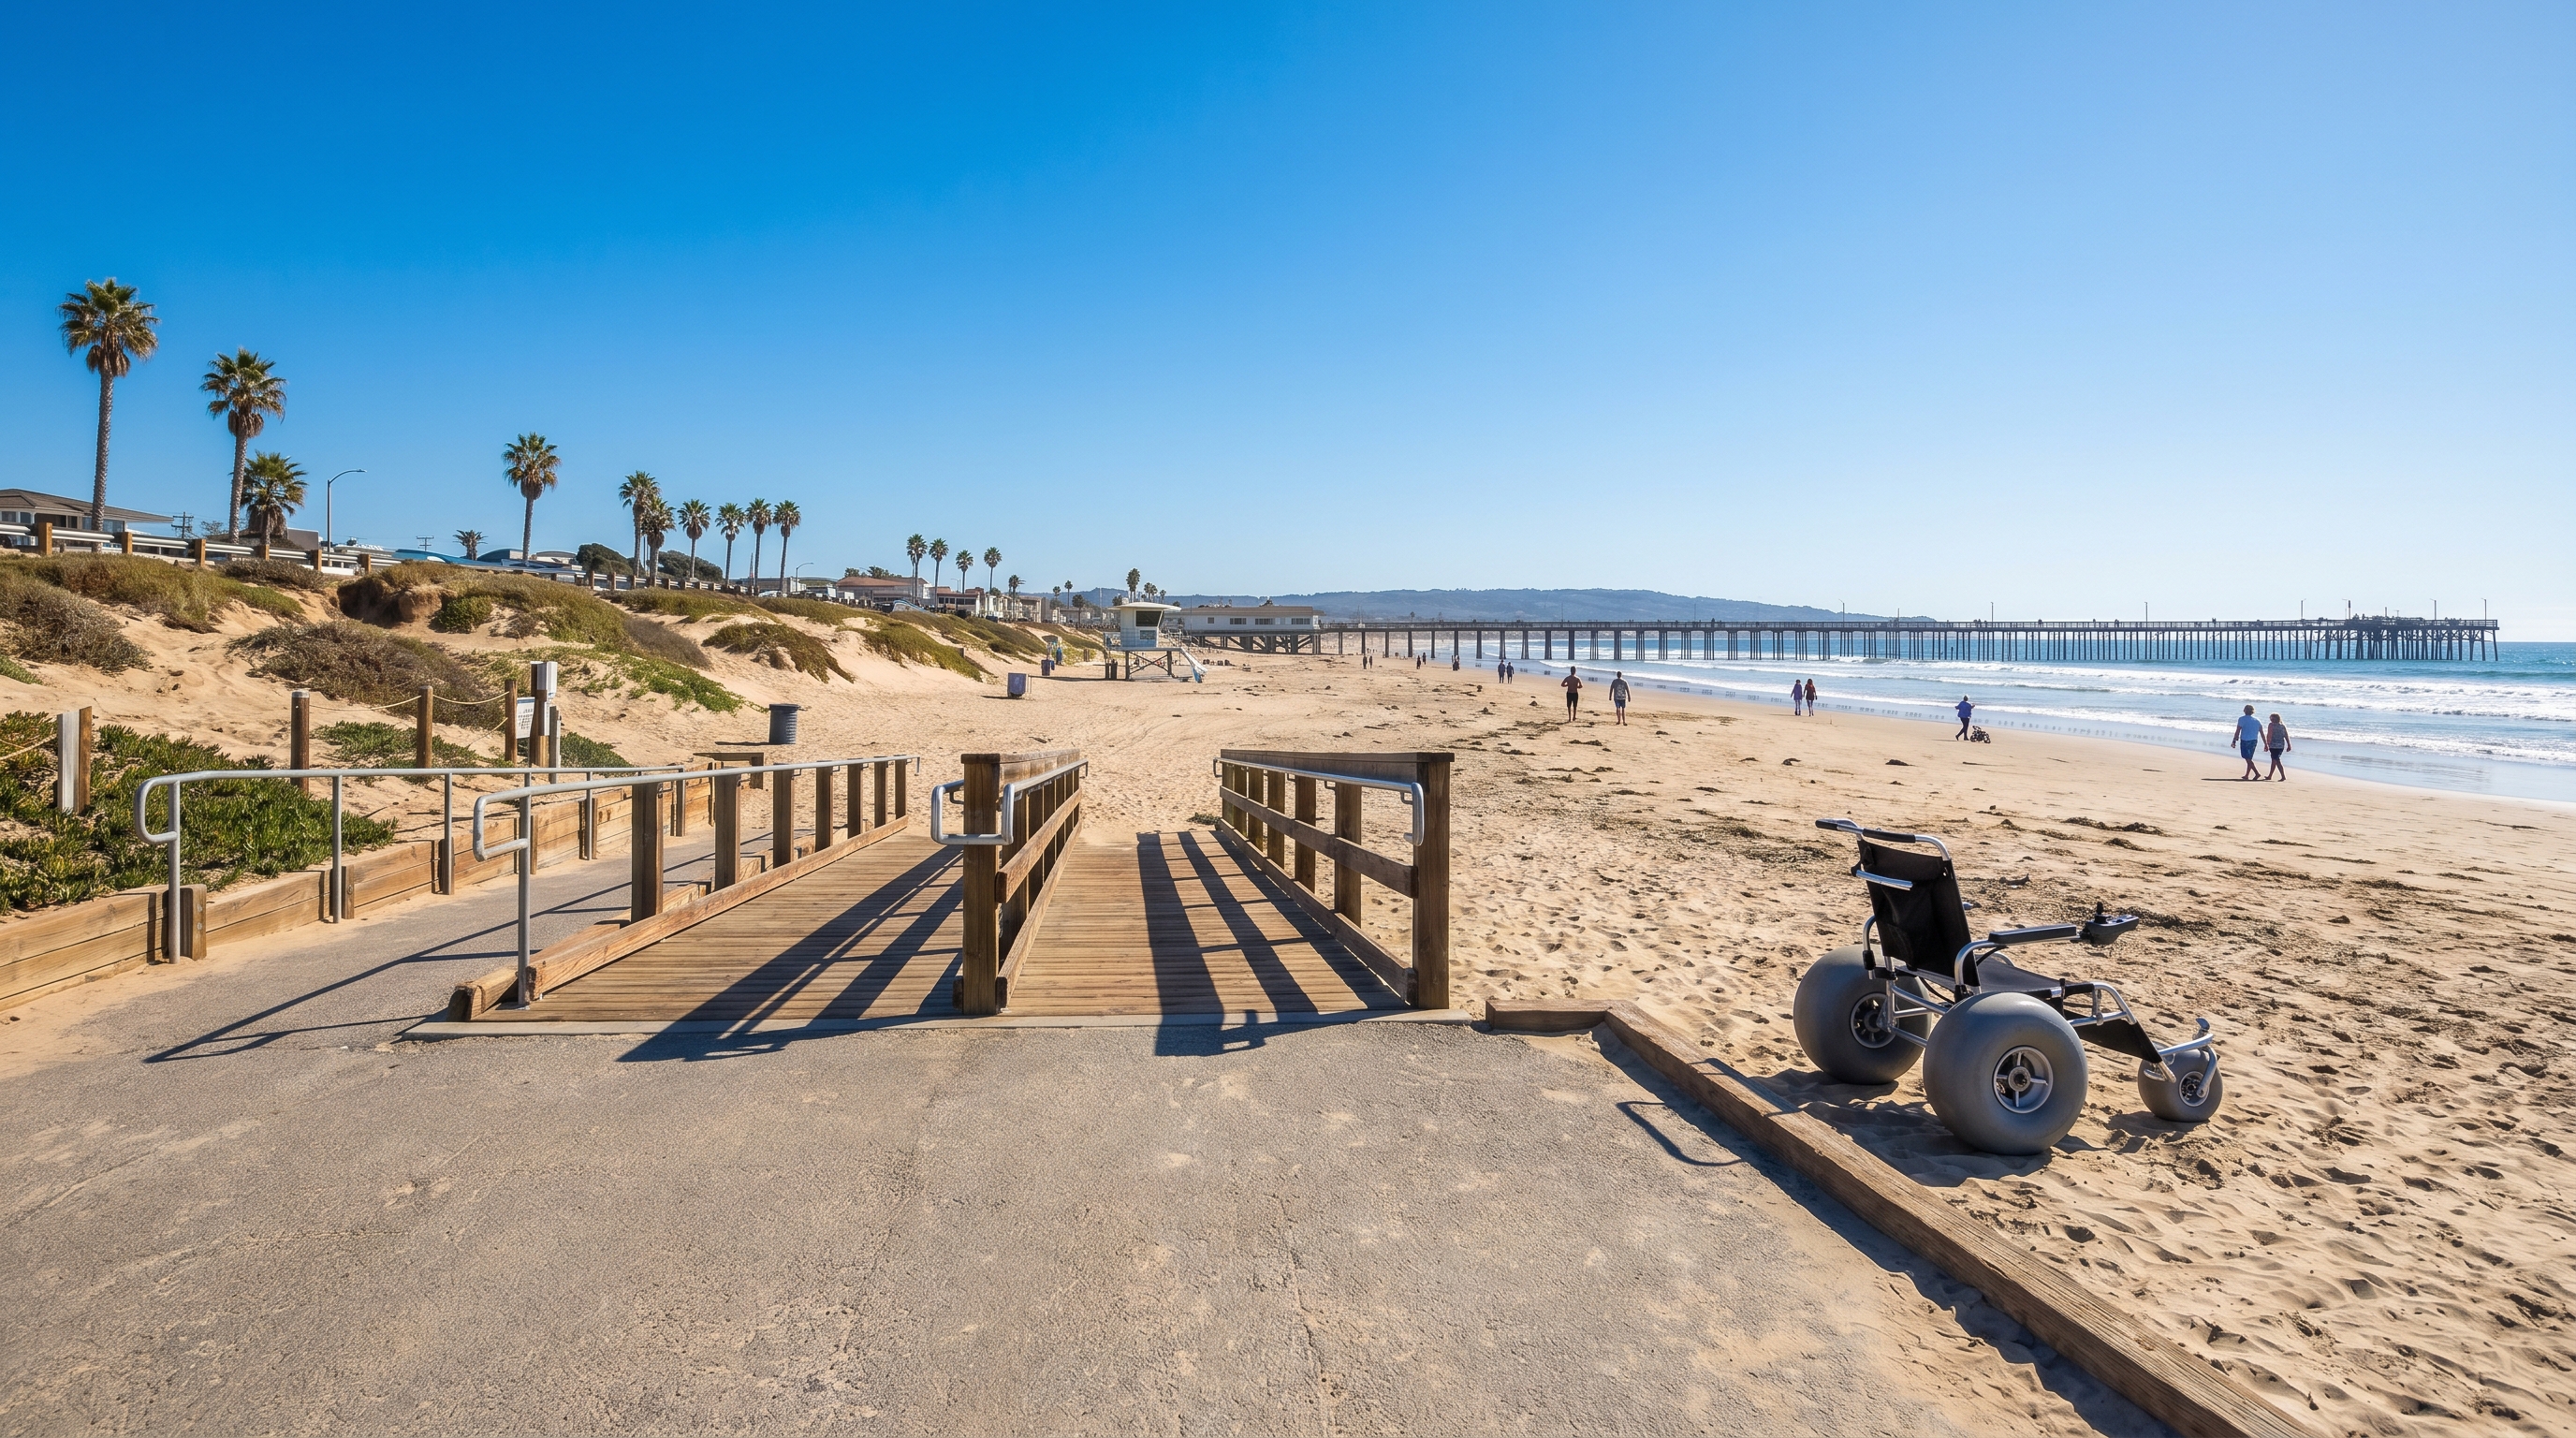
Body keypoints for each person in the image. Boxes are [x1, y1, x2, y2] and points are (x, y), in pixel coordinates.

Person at [2232, 704, 2264, 779]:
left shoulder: (2242, 719)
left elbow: (2238, 731)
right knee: (2249, 758)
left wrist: (2234, 740)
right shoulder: (2257, 720)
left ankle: (2257, 773)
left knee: (2247, 758)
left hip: (2245, 740)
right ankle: (2247, 775)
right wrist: (2266, 743)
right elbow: (2262, 733)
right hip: (2254, 740)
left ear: (2244, 710)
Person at [2265, 712, 2292, 781]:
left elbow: (2269, 735)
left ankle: (2271, 776)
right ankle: (2282, 776)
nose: (2271, 720)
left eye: (2272, 718)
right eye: (2271, 718)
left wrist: (2267, 744)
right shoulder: (2282, 726)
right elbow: (2286, 735)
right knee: (2276, 760)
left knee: (2275, 760)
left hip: (2274, 745)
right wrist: (2289, 744)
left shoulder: (2271, 725)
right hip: (2280, 745)